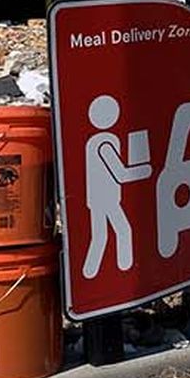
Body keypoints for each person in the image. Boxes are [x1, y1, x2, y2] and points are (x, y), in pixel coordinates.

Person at [81, 94, 151, 279]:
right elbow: (120, 173)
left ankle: (91, 273)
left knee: (101, 236)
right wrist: (146, 169)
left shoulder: (94, 141)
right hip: (106, 198)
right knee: (121, 231)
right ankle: (123, 275)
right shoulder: (105, 143)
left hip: (99, 198)